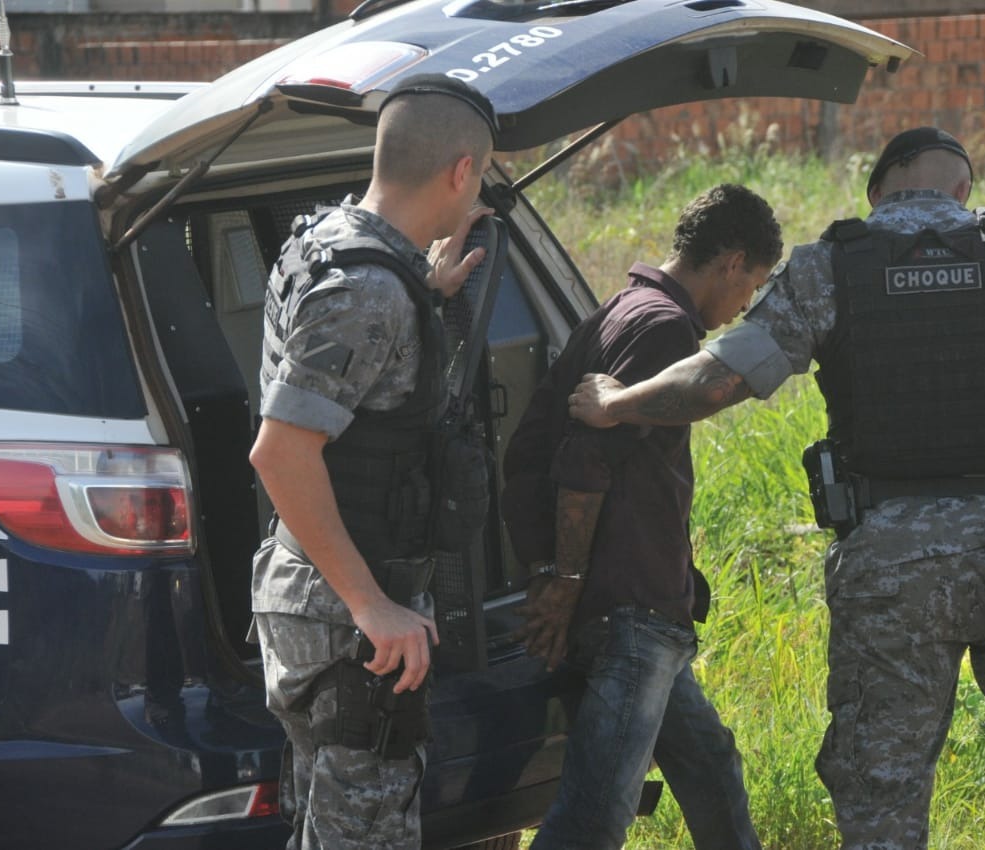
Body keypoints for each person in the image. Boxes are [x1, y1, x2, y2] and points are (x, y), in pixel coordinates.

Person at [568, 128, 985, 849]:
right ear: (962, 191)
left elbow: (717, 380)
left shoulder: (832, 266)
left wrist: (618, 403)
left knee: (882, 797)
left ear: (878, 192)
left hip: (890, 577)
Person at [247, 74, 498, 850]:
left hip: (306, 599)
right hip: (344, 618)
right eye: (481, 175)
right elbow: (281, 451)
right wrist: (371, 605)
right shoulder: (368, 291)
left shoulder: (330, 242)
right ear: (461, 172)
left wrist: (431, 288)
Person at [509, 184, 783, 850]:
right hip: (630, 612)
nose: (746, 302)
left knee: (710, 765)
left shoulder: (623, 307)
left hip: (644, 610)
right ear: (731, 261)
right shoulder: (662, 326)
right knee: (594, 816)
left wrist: (557, 574)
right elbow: (582, 463)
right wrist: (565, 580)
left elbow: (530, 450)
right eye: (754, 283)